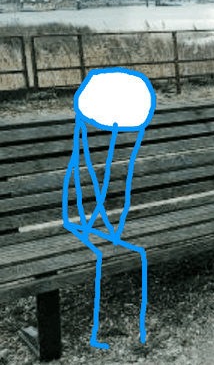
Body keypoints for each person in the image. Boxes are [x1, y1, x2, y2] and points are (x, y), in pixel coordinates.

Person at [63, 68, 156, 349]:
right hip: (78, 223)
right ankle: (96, 334)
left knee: (137, 254)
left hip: (101, 224)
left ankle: (137, 332)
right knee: (102, 254)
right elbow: (77, 204)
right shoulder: (80, 157)